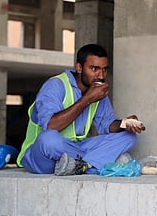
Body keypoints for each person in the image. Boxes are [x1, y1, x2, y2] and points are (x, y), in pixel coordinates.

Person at [16, 44, 145, 175]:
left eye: (104, 69)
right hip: (45, 154)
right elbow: (50, 126)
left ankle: (81, 165)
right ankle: (97, 162)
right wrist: (87, 99)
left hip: (76, 149)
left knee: (129, 136)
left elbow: (107, 124)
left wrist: (125, 123)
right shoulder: (55, 85)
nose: (101, 75)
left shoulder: (97, 91)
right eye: (94, 69)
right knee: (48, 139)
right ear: (79, 68)